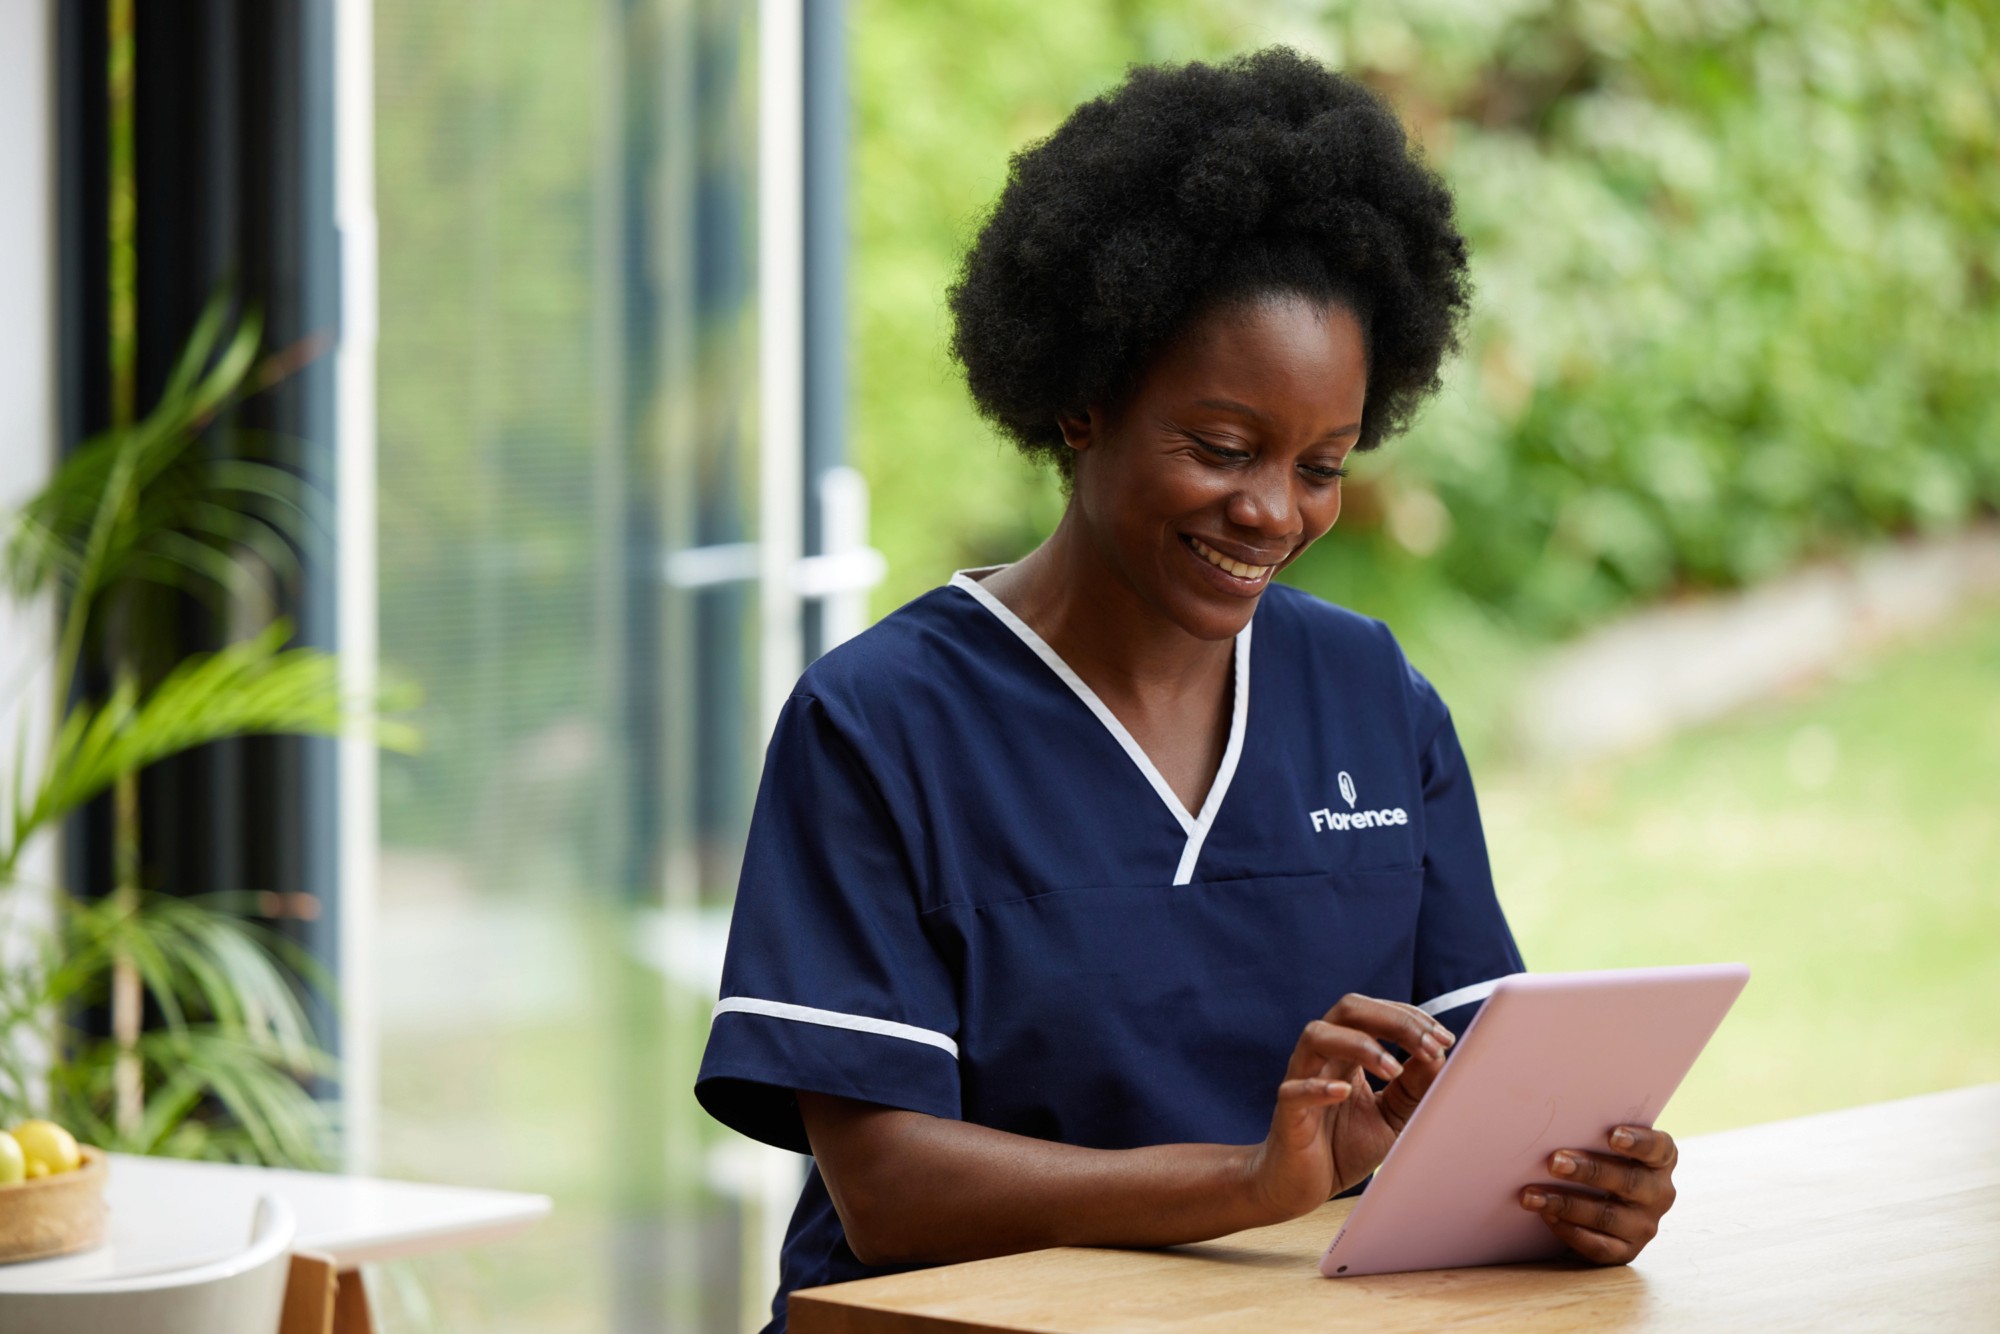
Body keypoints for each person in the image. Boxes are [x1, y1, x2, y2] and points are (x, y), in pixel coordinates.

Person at [695, 47, 1680, 1332]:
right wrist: (1250, 1183)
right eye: (1221, 448)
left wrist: (1573, 1182)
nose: (1272, 510)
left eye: (1321, 463)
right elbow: (886, 1187)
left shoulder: (1369, 695)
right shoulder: (880, 723)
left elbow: (1475, 1101)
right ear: (1082, 403)